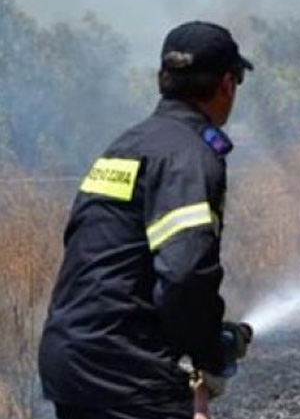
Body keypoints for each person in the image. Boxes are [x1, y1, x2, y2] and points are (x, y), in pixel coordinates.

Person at [38, 21, 254, 419]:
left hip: (71, 359)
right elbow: (185, 272)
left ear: (163, 79)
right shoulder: (189, 155)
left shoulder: (129, 145)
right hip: (126, 372)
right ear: (227, 84)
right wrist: (210, 354)